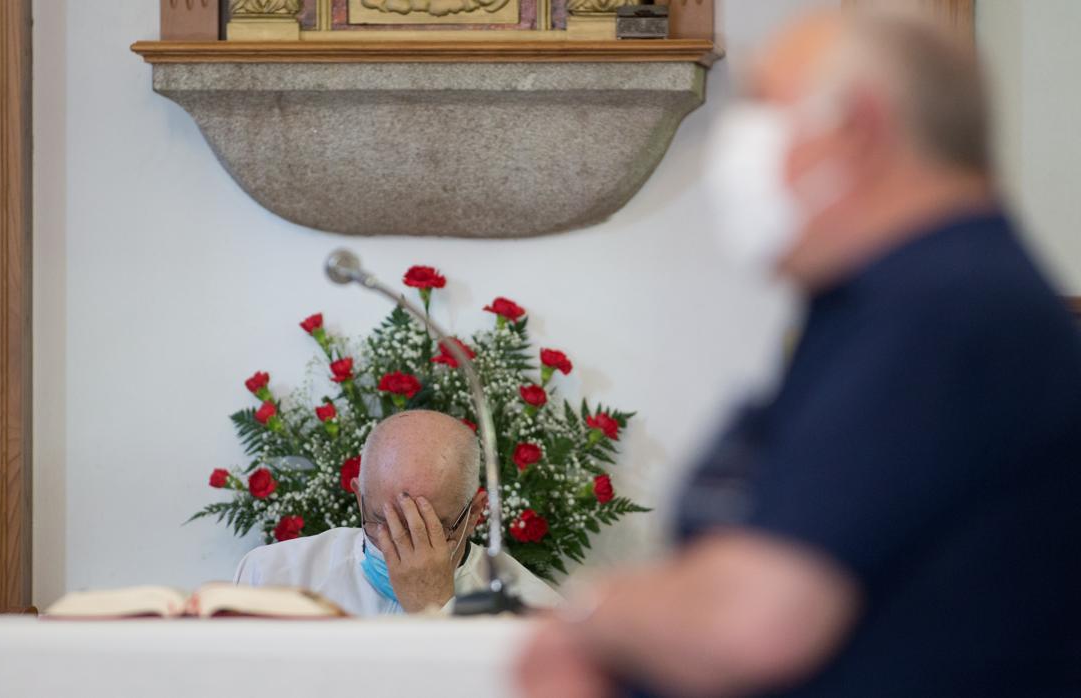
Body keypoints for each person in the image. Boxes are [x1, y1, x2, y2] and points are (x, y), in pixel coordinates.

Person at [517, 10, 1081, 698]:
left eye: (763, 108)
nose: (737, 149)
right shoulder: (881, 304)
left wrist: (594, 612)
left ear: (859, 127)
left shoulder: (944, 310)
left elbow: (755, 621)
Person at [233, 409, 560, 615]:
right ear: (358, 498)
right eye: (382, 520)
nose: (402, 542)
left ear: (474, 513)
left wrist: (435, 610)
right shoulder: (270, 574)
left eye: (433, 526)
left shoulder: (533, 613)